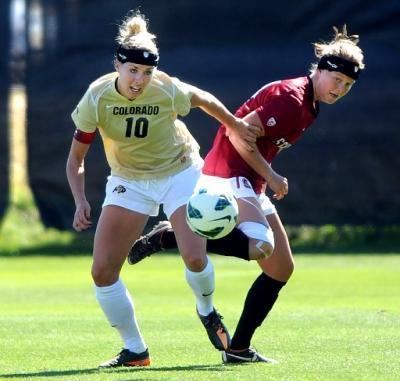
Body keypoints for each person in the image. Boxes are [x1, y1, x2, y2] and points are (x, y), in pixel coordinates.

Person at [127, 25, 365, 364]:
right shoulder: (291, 99)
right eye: (337, 79)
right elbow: (238, 135)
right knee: (262, 247)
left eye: (348, 85)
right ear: (321, 70)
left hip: (248, 179)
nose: (340, 89)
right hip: (229, 174)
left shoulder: (309, 103)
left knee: (281, 267)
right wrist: (271, 174)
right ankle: (170, 237)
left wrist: (264, 177)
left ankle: (238, 349)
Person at [66, 10, 260, 368]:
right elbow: (76, 158)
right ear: (118, 66)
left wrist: (233, 124)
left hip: (180, 173)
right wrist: (79, 200)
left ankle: (206, 310)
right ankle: (135, 351)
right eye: (133, 70)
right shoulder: (97, 97)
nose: (140, 79)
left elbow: (202, 98)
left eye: (147, 72)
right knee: (102, 271)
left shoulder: (165, 88)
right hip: (129, 181)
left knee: (194, 257)